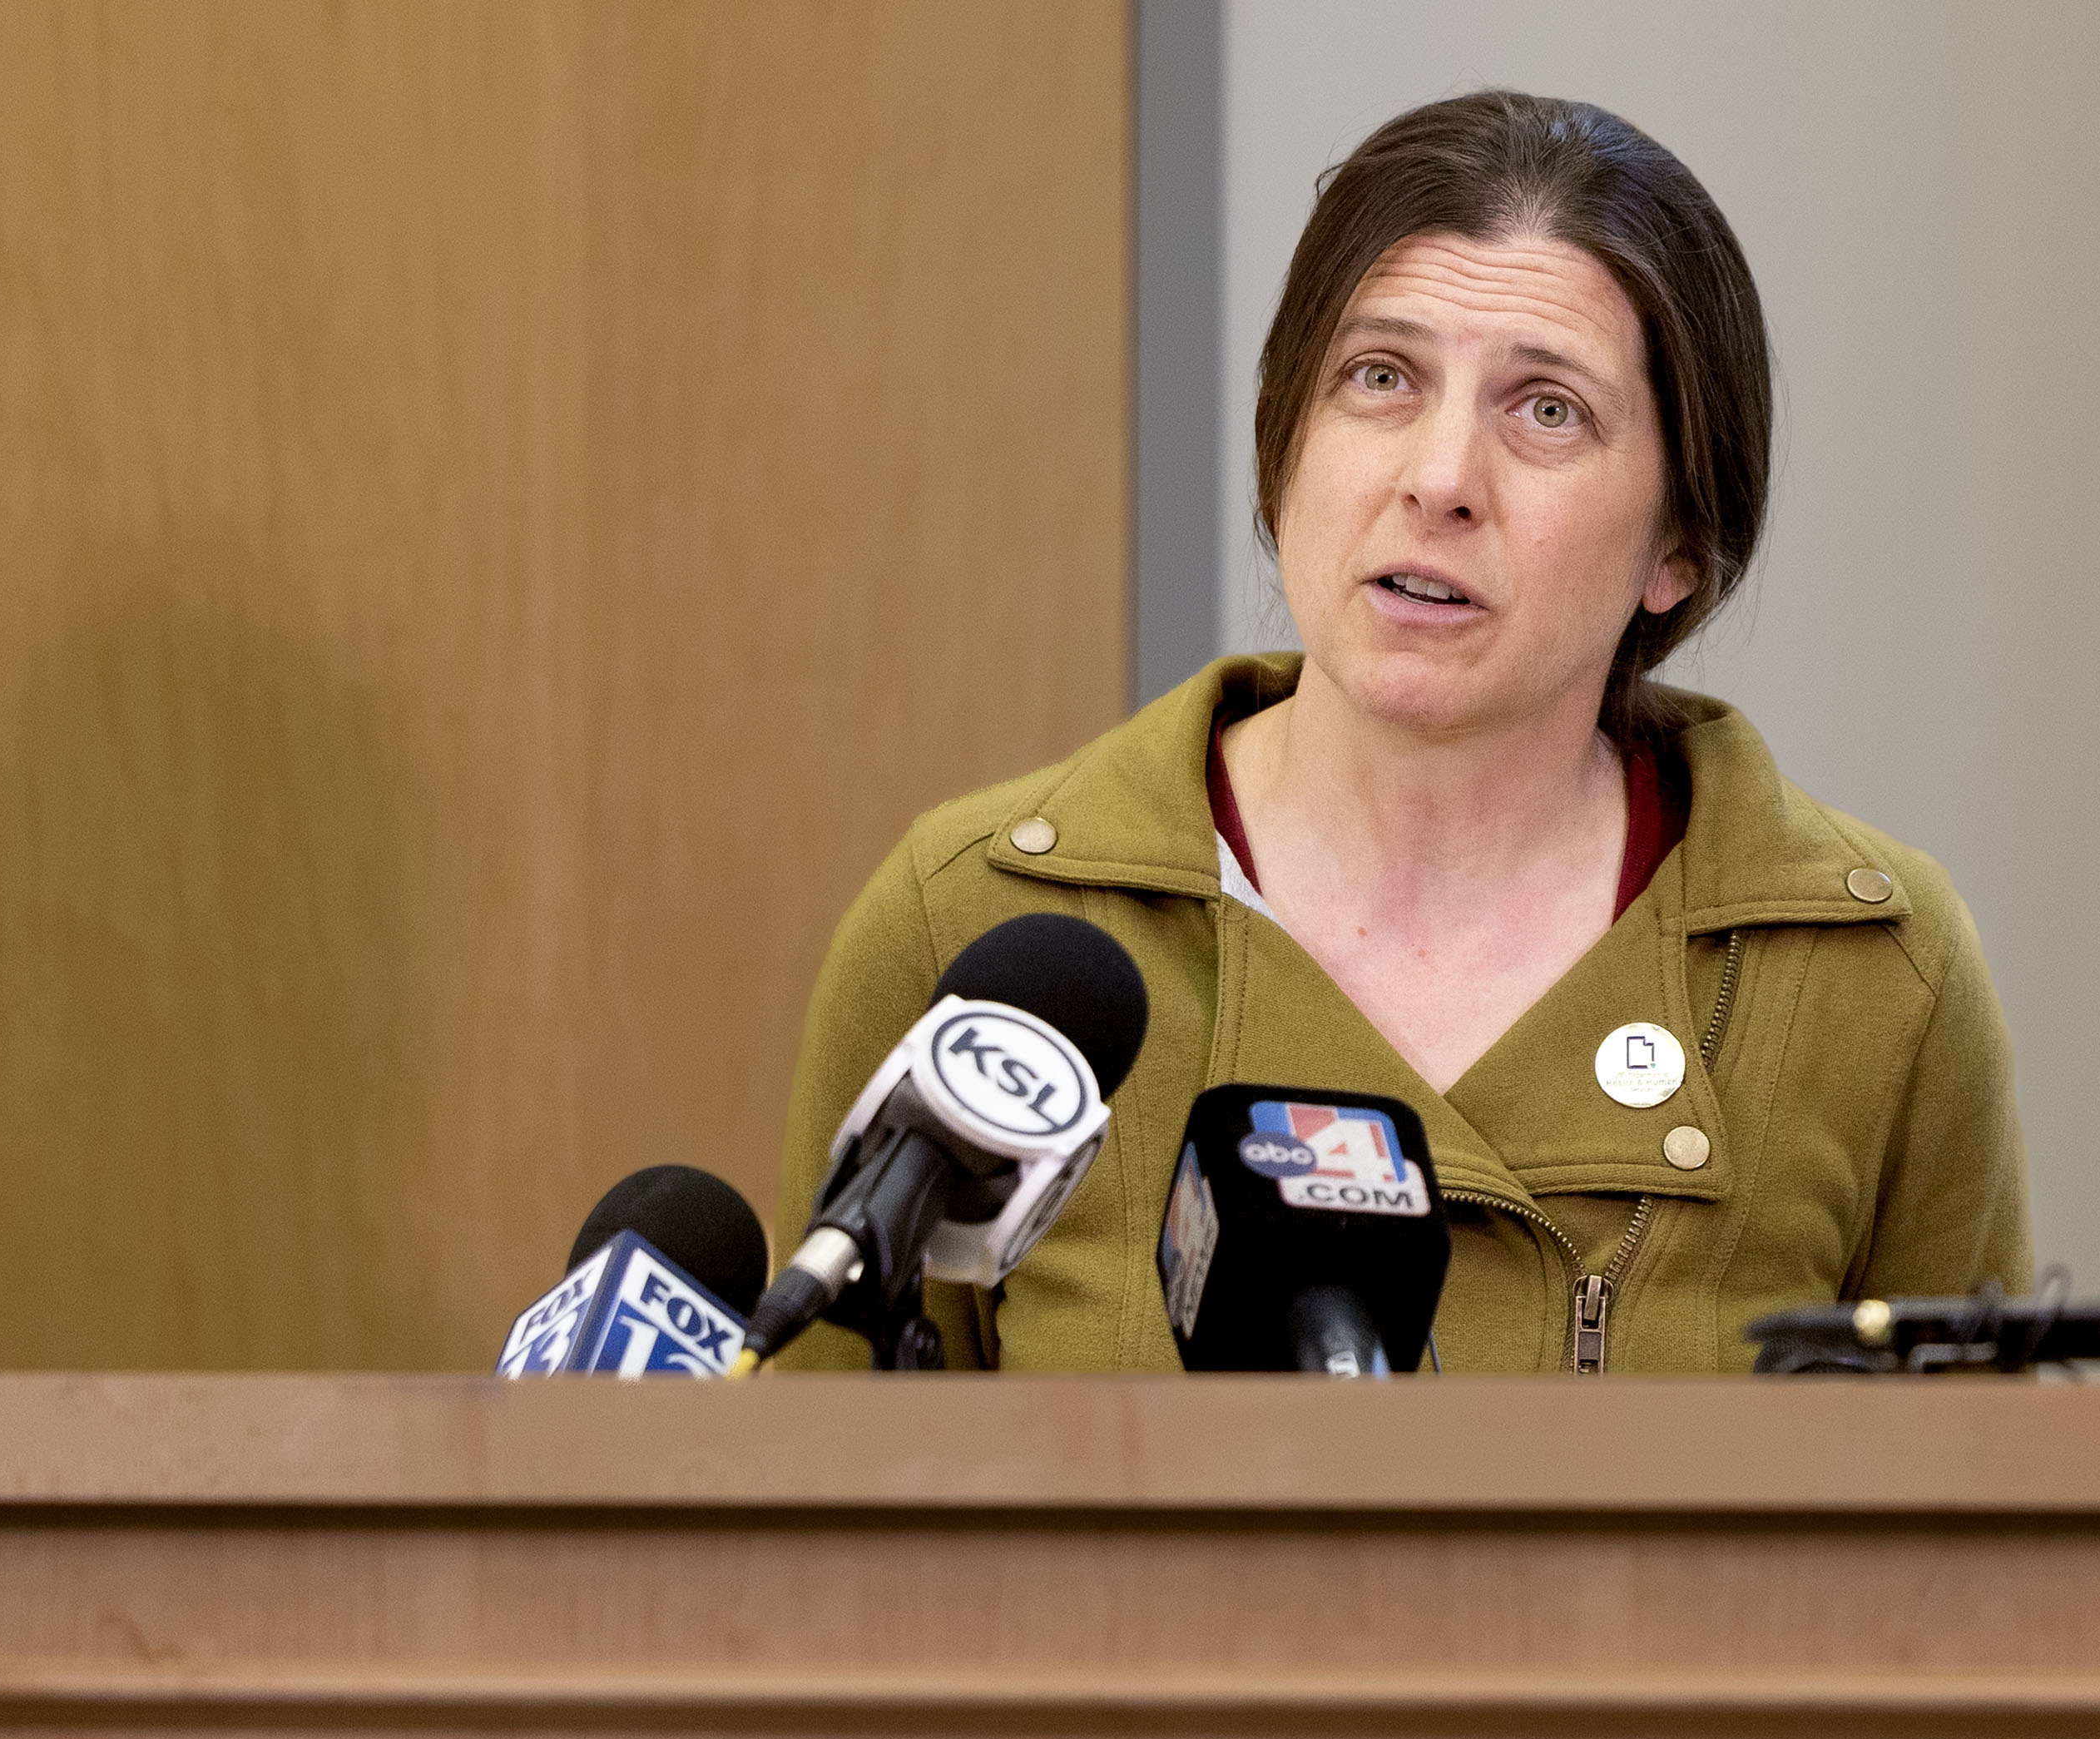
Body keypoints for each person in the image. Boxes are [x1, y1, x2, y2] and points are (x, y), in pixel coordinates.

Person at [775, 91, 2030, 1374]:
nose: (1439, 478)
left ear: (1680, 545)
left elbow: (1979, 1560)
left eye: (1547, 409)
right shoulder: (977, 924)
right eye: (1382, 379)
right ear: (1284, 448)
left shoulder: (1874, 977)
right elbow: (821, 1544)